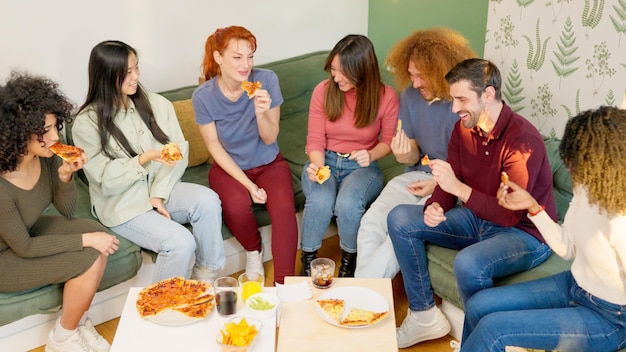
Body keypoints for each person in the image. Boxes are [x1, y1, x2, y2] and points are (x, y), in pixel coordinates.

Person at [388, 58, 557, 348]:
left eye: (461, 99)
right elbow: (449, 178)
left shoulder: (522, 141)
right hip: (477, 218)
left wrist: (458, 189)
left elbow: (508, 216)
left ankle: (476, 343)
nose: (454, 108)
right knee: (400, 218)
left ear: (488, 94)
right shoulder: (464, 128)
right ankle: (424, 315)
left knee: (469, 263)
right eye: (453, 99)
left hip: (525, 234)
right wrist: (436, 206)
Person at [458, 106, 626, 352]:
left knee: (493, 330)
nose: (569, 165)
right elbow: (567, 248)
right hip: (574, 285)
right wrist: (534, 208)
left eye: (576, 160)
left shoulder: (620, 221)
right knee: (478, 305)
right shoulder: (585, 190)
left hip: (610, 317)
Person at [73, 40, 225, 283]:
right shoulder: (86, 123)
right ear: (107, 76)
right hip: (122, 203)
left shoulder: (157, 104)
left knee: (207, 200)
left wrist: (159, 194)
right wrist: (143, 159)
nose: (136, 77)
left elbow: (178, 152)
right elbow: (104, 179)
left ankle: (204, 278)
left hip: (159, 188)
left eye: (137, 68)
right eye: (127, 73)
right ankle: (165, 306)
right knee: (180, 242)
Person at [0, 71, 118, 352]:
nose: (55, 136)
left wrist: (66, 175)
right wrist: (85, 241)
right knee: (91, 249)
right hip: (6, 256)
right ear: (18, 134)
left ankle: (76, 324)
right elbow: (25, 247)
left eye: (55, 126)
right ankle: (62, 338)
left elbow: (66, 210)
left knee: (99, 233)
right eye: (45, 131)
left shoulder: (48, 154)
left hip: (28, 230)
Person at [354, 28, 476, 279]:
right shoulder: (410, 95)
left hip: (452, 186)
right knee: (371, 224)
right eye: (411, 75)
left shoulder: (465, 104)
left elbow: (474, 168)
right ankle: (366, 299)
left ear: (442, 72)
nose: (416, 83)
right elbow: (412, 156)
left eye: (422, 76)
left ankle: (360, 298)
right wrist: (403, 155)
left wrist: (438, 183)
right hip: (418, 177)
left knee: (398, 233)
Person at [192, 26, 298, 284]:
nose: (246, 65)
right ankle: (254, 251)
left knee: (284, 209)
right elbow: (215, 147)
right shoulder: (203, 97)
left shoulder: (267, 80)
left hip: (269, 163)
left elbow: (270, 137)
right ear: (218, 57)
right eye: (237, 57)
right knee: (235, 207)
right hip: (230, 167)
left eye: (250, 57)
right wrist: (249, 185)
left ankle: (284, 284)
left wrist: (261, 112)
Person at [299, 34, 399, 278]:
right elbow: (315, 139)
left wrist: (370, 154)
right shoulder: (323, 91)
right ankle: (308, 262)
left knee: (347, 203)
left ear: (362, 70)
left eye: (343, 72)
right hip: (325, 159)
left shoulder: (386, 97)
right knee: (321, 200)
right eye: (333, 69)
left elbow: (387, 142)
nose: (336, 77)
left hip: (362, 167)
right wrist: (317, 167)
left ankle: (349, 262)